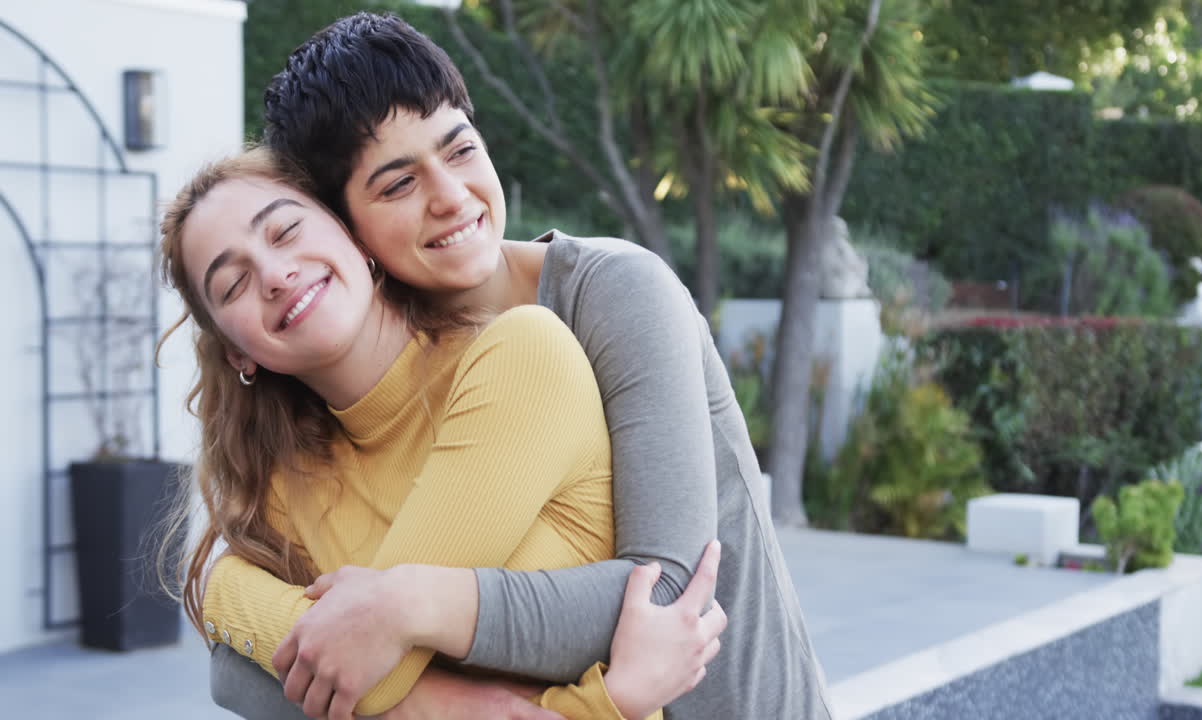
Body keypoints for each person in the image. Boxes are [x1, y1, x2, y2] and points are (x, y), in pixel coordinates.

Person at [210, 10, 834, 720]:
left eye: (459, 149)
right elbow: (234, 670)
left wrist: (404, 608)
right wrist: (428, 701)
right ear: (344, 230)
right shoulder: (378, 382)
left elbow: (668, 594)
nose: (451, 196)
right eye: (398, 185)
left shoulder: (614, 293)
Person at [160, 147, 726, 720]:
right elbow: (328, 660)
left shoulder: (520, 358)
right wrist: (602, 704)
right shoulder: (287, 483)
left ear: (356, 240)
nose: (276, 275)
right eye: (233, 283)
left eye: (286, 231)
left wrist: (222, 589)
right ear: (238, 353)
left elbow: (369, 667)